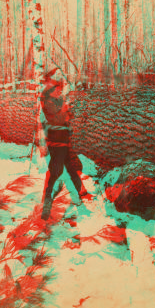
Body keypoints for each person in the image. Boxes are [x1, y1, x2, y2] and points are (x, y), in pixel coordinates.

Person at [36, 66, 93, 221]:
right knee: (57, 175)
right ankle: (46, 209)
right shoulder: (47, 102)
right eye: (57, 88)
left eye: (60, 88)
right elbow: (51, 121)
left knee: (68, 171)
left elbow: (65, 119)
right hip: (54, 144)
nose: (60, 91)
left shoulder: (56, 100)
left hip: (62, 143)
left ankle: (78, 195)